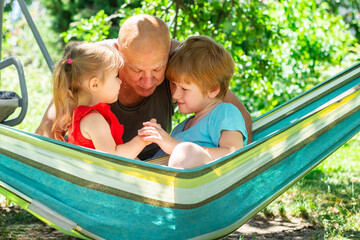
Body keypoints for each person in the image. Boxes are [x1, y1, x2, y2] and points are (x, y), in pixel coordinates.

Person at [35, 14, 252, 160]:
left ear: (168, 54)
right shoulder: (99, 65)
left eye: (158, 70)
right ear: (119, 54)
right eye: (137, 71)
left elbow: (240, 116)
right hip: (107, 173)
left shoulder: (181, 61)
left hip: (149, 171)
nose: (148, 81)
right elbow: (46, 130)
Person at [138, 36, 247, 168]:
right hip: (159, 180)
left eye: (184, 88)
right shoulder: (181, 128)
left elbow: (234, 155)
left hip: (198, 185)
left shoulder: (225, 113)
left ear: (212, 89)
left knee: (184, 152)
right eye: (173, 85)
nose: (175, 94)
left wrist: (174, 146)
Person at [52, 42, 148, 159]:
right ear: (95, 84)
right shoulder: (93, 120)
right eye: (115, 76)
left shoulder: (84, 115)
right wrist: (143, 140)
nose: (120, 81)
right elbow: (114, 157)